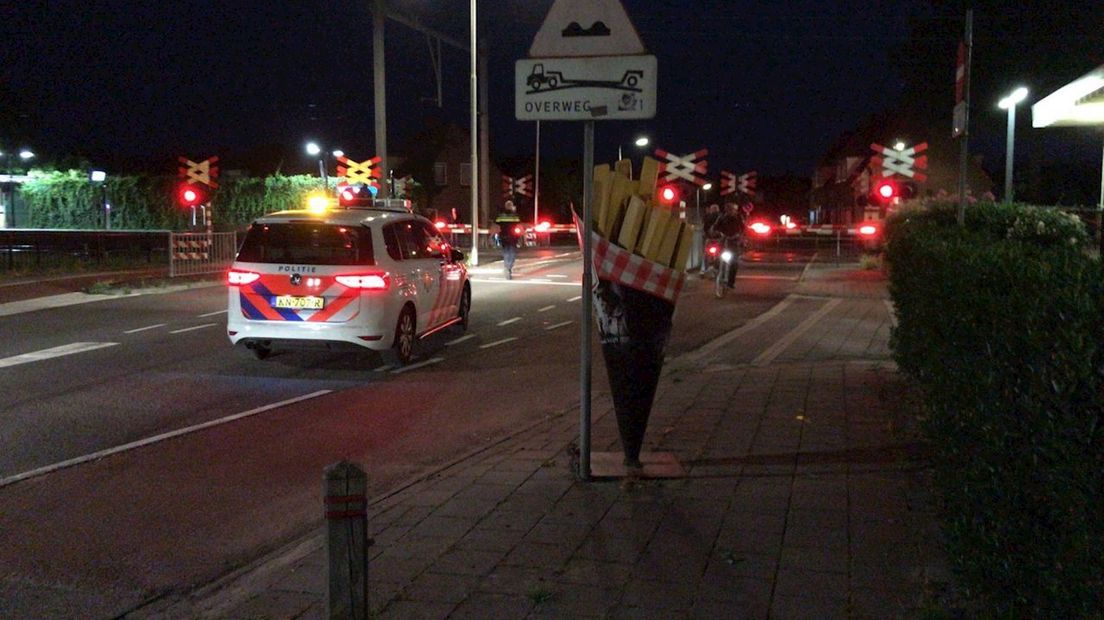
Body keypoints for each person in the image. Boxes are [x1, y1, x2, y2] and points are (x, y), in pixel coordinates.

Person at [709, 203, 747, 289]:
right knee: (717, 254)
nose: (730, 211)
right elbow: (715, 227)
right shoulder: (722, 218)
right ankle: (715, 267)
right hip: (724, 239)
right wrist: (714, 231)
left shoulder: (738, 218)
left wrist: (741, 236)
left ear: (735, 210)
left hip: (734, 241)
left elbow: (743, 228)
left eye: (732, 209)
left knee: (734, 262)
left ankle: (731, 282)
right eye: (728, 209)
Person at [494, 200, 521, 279]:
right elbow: (518, 223)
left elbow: (496, 223)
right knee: (512, 253)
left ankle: (507, 266)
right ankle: (509, 267)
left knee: (506, 251)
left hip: (503, 236)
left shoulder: (501, 216)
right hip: (513, 237)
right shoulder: (515, 216)